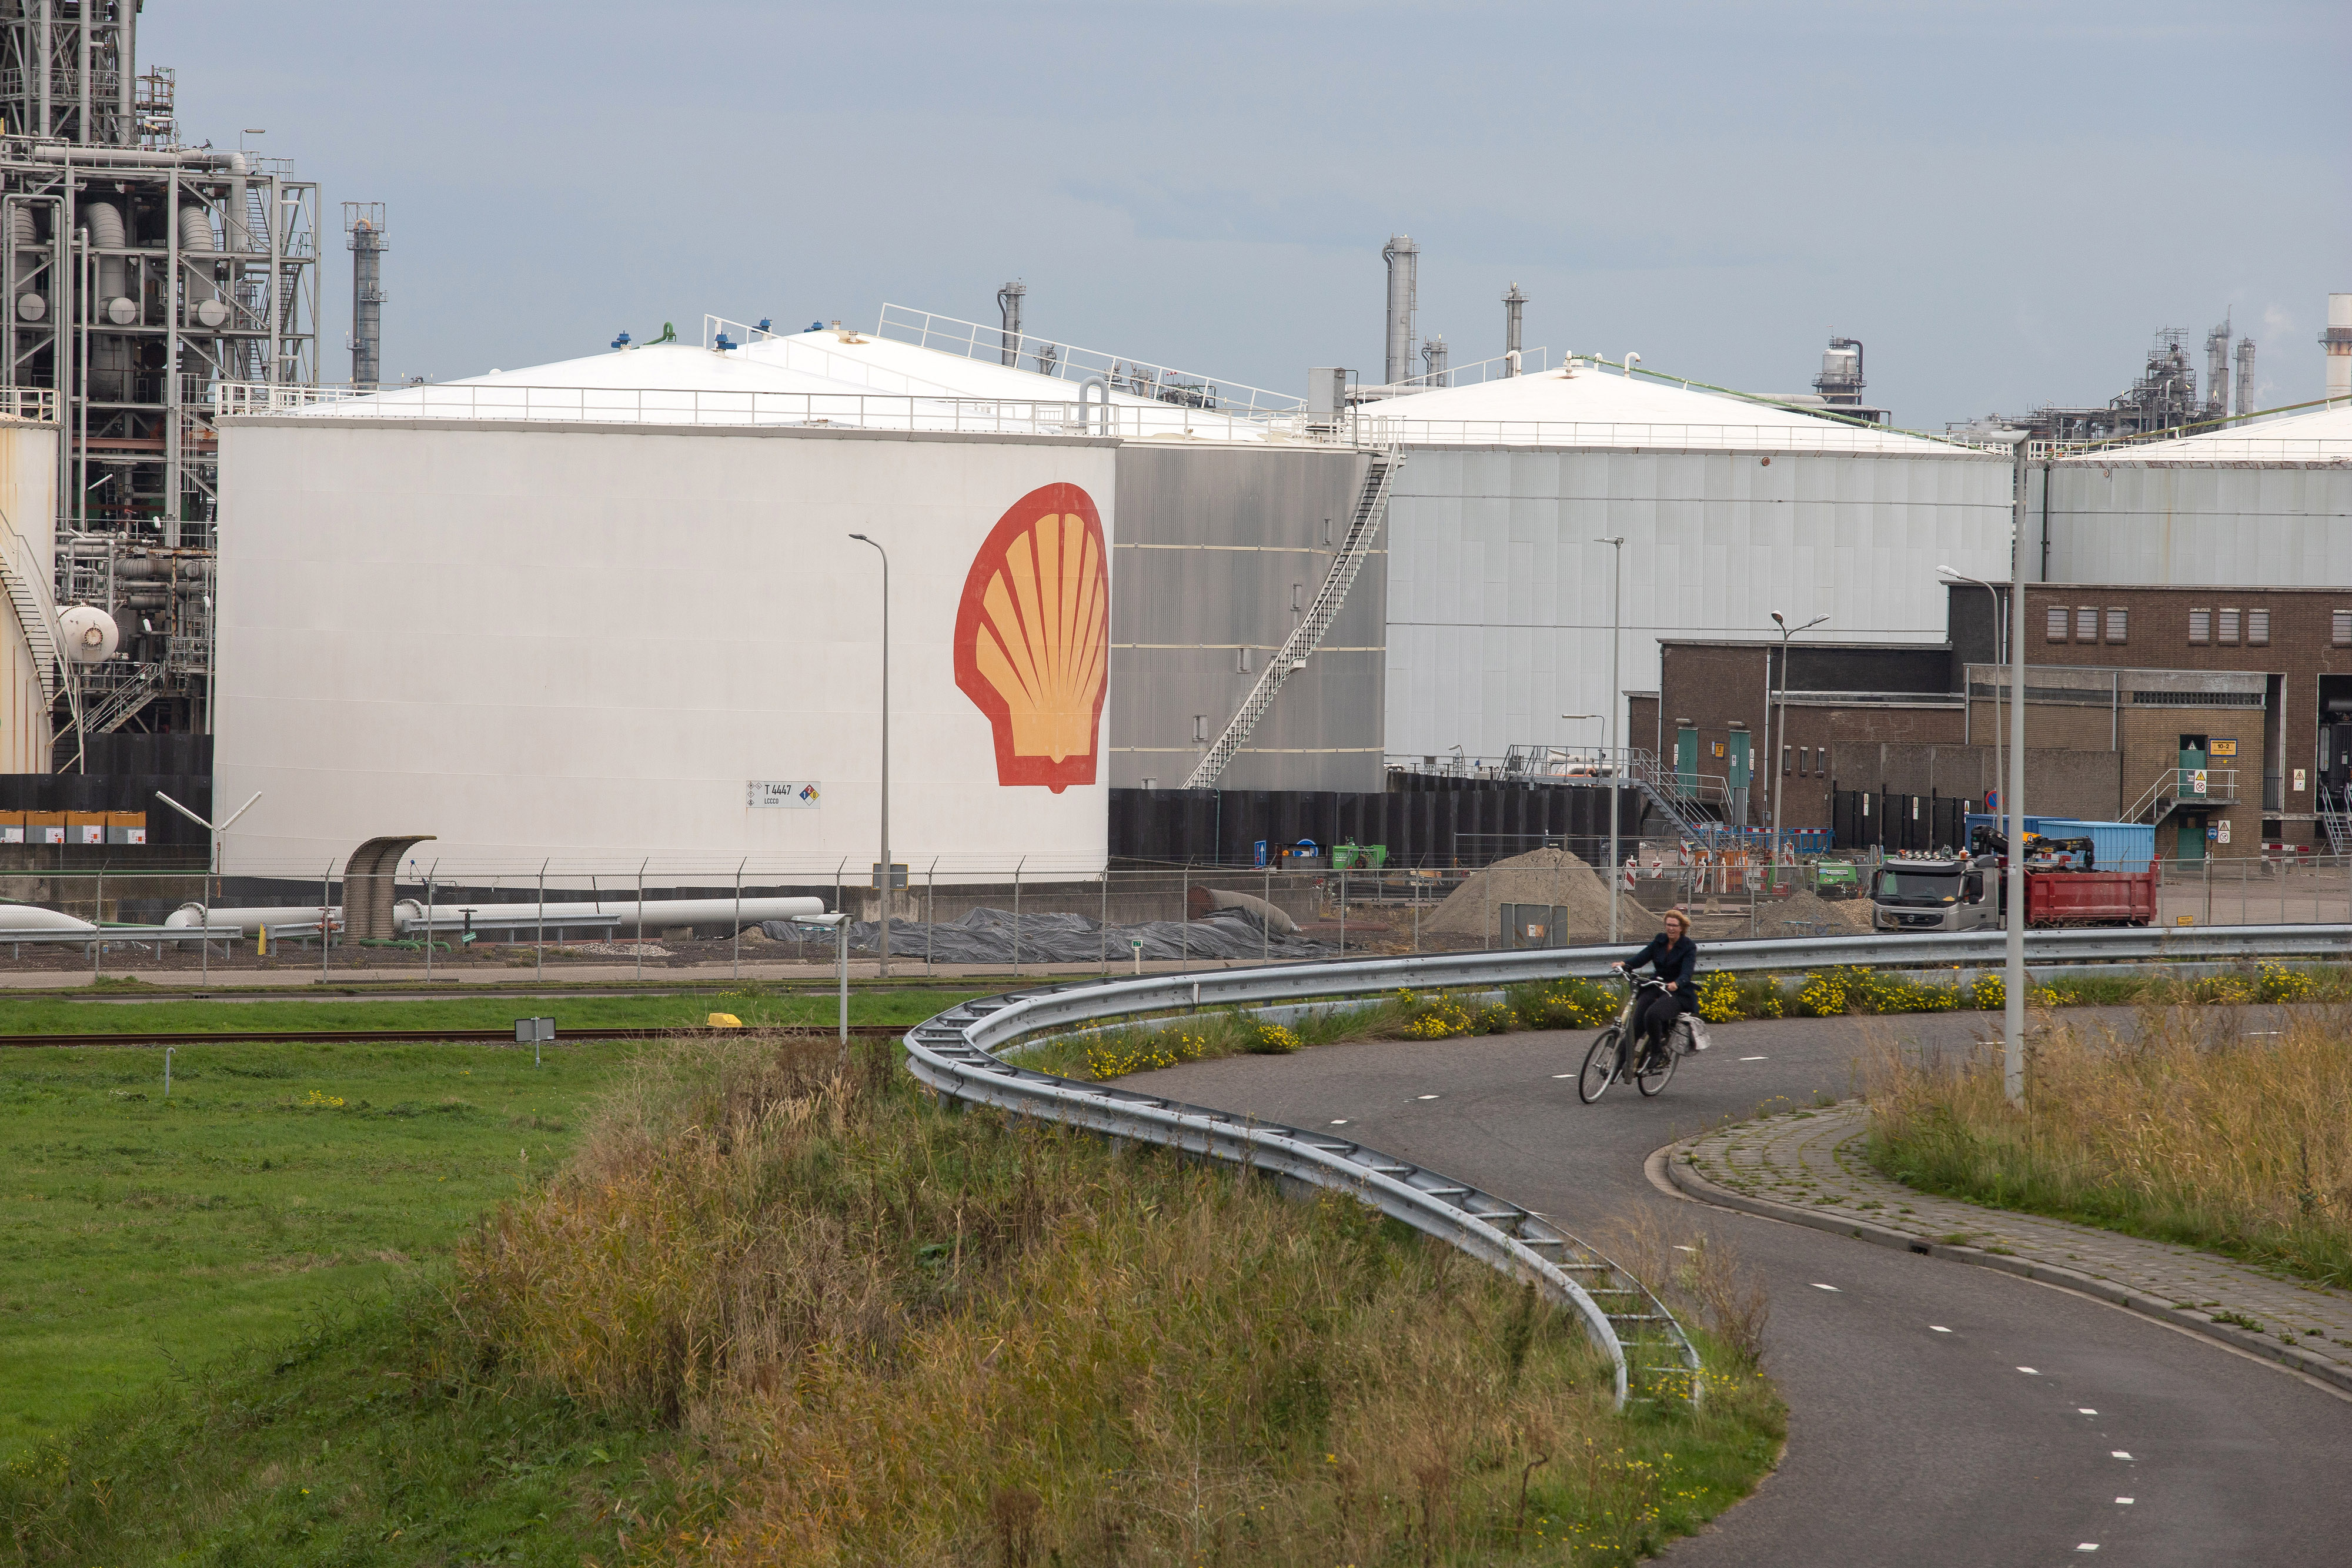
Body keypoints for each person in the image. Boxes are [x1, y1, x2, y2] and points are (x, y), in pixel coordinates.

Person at [1612, 907, 1698, 1066]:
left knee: (1652, 1014)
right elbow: (1642, 957)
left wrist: (1676, 983)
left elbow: (1687, 973)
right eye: (1668, 925)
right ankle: (1615, 1067)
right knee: (1636, 1024)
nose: (1671, 928)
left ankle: (1657, 1053)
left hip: (1677, 992)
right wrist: (1624, 964)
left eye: (1674, 925)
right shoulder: (1660, 940)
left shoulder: (1688, 947)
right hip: (1656, 985)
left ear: (1682, 928)